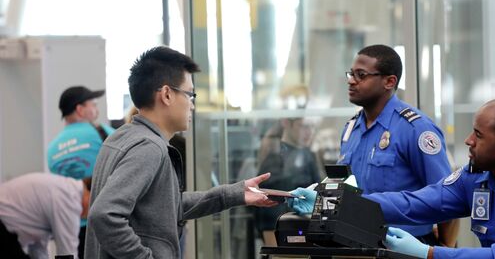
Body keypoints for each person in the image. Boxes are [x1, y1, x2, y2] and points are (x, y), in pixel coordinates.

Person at [290, 99, 495, 258]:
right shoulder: (478, 178)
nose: (467, 141)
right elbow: (415, 204)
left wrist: (429, 253)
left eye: (478, 135)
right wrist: (335, 203)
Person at [84, 46, 277, 259]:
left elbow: (166, 207)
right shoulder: (149, 148)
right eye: (189, 94)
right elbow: (104, 215)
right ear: (167, 94)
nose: (192, 105)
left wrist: (235, 194)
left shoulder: (120, 137)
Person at [337, 44, 457, 246]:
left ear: (389, 81)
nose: (351, 81)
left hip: (405, 244)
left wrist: (444, 249)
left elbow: (447, 197)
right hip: (357, 243)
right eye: (351, 74)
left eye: (361, 75)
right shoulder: (351, 129)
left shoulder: (415, 129)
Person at [47, 86, 114, 258]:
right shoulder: (102, 133)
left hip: (70, 225)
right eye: (93, 104)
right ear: (80, 109)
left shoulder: (52, 148)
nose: (96, 109)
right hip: (105, 220)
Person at [255, 117, 322, 245]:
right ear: (286, 123)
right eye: (303, 126)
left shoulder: (307, 155)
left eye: (311, 127)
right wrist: (274, 247)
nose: (308, 132)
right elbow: (268, 208)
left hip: (308, 229)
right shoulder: (276, 156)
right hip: (284, 229)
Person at [0, 173, 91, 259]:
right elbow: (67, 253)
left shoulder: (63, 188)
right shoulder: (70, 198)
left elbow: (38, 249)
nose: (88, 215)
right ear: (91, 193)